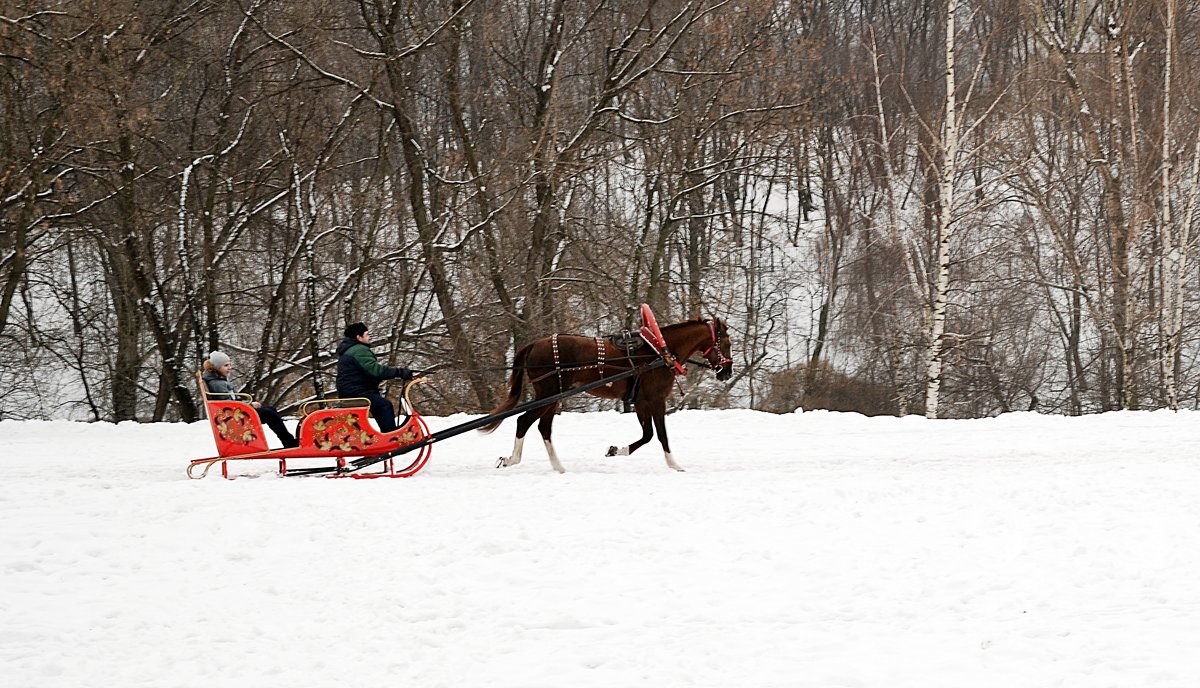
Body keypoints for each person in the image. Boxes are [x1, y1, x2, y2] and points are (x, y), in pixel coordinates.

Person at [202, 351, 299, 448]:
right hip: (234, 416)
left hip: (235, 413)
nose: (229, 368)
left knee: (271, 410)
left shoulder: (219, 381)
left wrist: (248, 403)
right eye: (226, 365)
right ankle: (289, 442)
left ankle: (288, 441)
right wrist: (250, 405)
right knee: (269, 414)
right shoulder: (217, 384)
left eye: (229, 365)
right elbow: (229, 404)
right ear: (217, 367)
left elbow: (232, 400)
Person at [335, 322, 415, 433]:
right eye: (367, 334)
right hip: (357, 392)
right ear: (359, 337)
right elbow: (375, 370)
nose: (370, 337)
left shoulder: (351, 350)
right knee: (384, 405)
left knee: (379, 403)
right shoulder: (358, 350)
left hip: (354, 390)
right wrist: (400, 372)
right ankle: (390, 435)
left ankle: (388, 434)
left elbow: (365, 372)